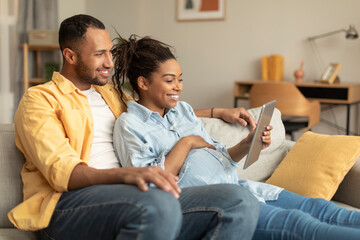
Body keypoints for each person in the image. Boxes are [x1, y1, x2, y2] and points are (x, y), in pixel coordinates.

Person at [9, 14, 261, 240]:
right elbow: (64, 174)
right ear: (70, 56)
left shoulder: (111, 94)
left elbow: (152, 112)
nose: (109, 61)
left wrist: (218, 112)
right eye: (99, 54)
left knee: (238, 200)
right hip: (68, 205)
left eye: (110, 52)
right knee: (157, 203)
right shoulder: (39, 100)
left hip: (131, 195)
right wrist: (131, 174)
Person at [112, 34, 360, 240]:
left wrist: (247, 144)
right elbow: (150, 184)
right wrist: (186, 143)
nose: (179, 86)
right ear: (143, 83)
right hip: (210, 203)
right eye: (170, 80)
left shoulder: (183, 112)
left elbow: (221, 157)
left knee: (319, 208)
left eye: (180, 79)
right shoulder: (130, 125)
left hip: (240, 187)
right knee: (301, 225)